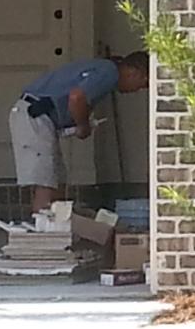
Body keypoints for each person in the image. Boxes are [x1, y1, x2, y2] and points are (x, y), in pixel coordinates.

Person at [9, 50, 149, 218]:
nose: (137, 90)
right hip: (35, 115)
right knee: (46, 182)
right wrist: (82, 126)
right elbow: (76, 97)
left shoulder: (103, 70)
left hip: (42, 117)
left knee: (57, 179)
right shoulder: (109, 72)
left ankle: (57, 228)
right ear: (135, 72)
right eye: (142, 84)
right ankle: (43, 234)